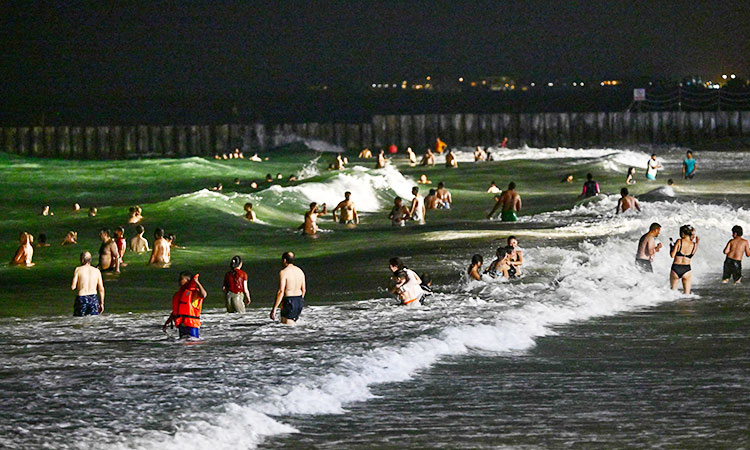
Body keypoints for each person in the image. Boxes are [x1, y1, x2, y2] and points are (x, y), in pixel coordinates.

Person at [163, 272, 207, 339]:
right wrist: (168, 321)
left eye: (181, 279)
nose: (179, 281)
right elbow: (177, 310)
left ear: (187, 280)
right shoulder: (179, 294)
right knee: (183, 345)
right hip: (181, 325)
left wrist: (197, 282)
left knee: (193, 344)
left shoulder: (193, 293)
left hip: (191, 325)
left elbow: (204, 295)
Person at [270, 252, 306, 325]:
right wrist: (299, 302)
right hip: (299, 301)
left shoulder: (283, 272)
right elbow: (304, 290)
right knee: (293, 326)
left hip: (289, 301)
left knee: (286, 328)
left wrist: (274, 309)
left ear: (284, 260)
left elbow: (281, 291)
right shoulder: (300, 271)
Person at [70, 251, 105, 316]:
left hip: (82, 298)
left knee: (79, 320)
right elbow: (101, 289)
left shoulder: (78, 270)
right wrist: (102, 303)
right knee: (93, 321)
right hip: (93, 298)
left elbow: (73, 287)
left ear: (82, 260)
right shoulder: (97, 271)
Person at [669, 225, 699, 294]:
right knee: (687, 294)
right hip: (687, 269)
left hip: (676, 268)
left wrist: (671, 247)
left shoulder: (679, 241)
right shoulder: (695, 245)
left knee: (672, 292)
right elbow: (691, 255)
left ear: (682, 233)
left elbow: (672, 255)